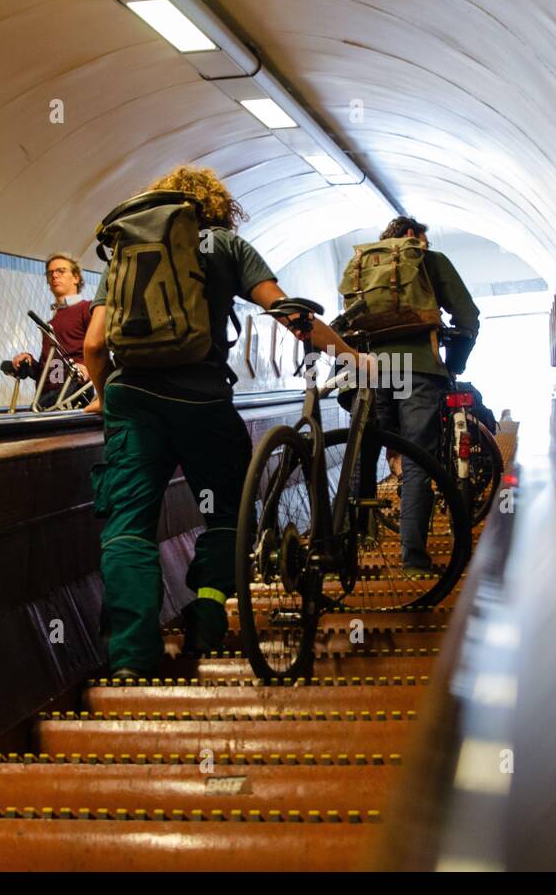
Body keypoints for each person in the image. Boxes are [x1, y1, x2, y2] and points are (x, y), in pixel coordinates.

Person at [82, 165, 366, 680]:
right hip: (201, 398)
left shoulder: (128, 247)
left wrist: (106, 398)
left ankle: (129, 658)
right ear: (219, 207)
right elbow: (284, 311)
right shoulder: (227, 246)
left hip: (132, 397)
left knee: (128, 528)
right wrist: (346, 352)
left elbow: (95, 344)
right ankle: (209, 615)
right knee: (227, 514)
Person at [358, 216, 479, 573]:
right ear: (412, 235)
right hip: (419, 371)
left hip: (372, 369)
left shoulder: (365, 264)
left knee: (365, 452)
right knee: (417, 460)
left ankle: (351, 544)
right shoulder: (429, 260)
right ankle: (412, 557)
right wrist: (454, 362)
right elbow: (468, 315)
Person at [7, 252, 93, 409]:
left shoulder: (87, 308)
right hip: (47, 395)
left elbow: (101, 345)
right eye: (50, 273)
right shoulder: (52, 322)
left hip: (75, 393)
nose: (54, 275)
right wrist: (30, 363)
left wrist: (87, 368)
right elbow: (53, 368)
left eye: (61, 271)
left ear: (76, 278)